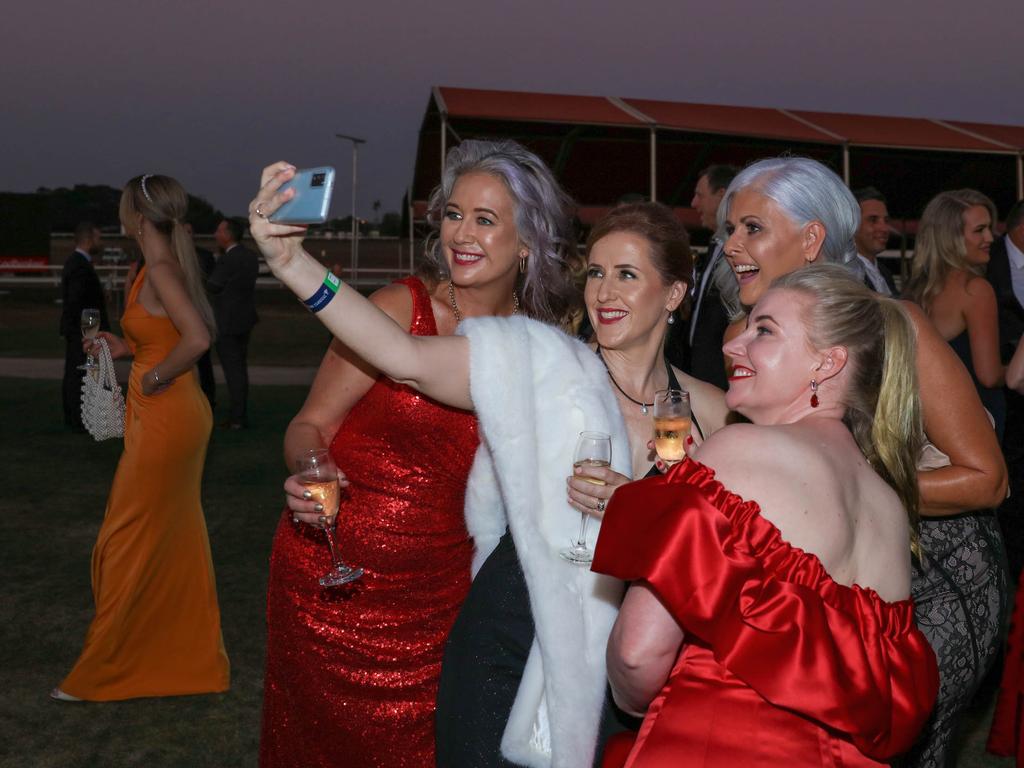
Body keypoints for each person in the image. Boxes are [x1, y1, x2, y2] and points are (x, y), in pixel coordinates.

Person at [257, 140, 583, 768]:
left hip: (444, 597)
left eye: (485, 220)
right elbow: (309, 425)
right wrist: (307, 470)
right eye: (454, 214)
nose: (461, 234)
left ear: (528, 243)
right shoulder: (396, 311)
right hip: (333, 580)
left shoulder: (538, 344)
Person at [715, 158, 1007, 768]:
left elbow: (988, 479)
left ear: (811, 239)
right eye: (729, 229)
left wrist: (852, 489)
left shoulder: (893, 326)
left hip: (935, 580)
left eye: (750, 228)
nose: (731, 246)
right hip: (821, 581)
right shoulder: (746, 337)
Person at [594, 265, 939, 766]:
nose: (733, 346)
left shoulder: (736, 450)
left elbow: (637, 653)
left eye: (765, 331)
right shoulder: (888, 502)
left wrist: (629, 700)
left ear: (827, 362)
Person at [435, 202, 730, 768]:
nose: (604, 292)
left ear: (673, 294)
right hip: (513, 631)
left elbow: (738, 544)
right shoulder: (551, 374)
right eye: (595, 272)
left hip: (628, 648)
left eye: (626, 275)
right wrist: (300, 268)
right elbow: (402, 356)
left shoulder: (709, 413)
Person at [52, 174, 229, 701]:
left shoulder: (163, 268)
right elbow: (164, 334)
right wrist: (123, 346)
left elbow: (198, 339)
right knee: (163, 535)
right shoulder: (153, 269)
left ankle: (104, 671)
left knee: (127, 536)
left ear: (134, 216)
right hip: (163, 414)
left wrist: (153, 377)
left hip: (167, 414)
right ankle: (185, 663)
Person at [904, 189, 1007, 440]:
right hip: (976, 418)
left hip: (926, 421)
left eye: (989, 228)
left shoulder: (914, 291)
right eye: (979, 230)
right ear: (950, 238)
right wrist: (1014, 372)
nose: (989, 237)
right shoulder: (976, 290)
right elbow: (989, 375)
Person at [666, 165, 737, 389]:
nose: (694, 203)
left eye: (699, 195)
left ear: (722, 195)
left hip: (722, 377)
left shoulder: (739, 253)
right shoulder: (713, 247)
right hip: (697, 374)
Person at [209, 217, 258, 429]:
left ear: (228, 235)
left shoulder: (228, 259)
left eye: (219, 231)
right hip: (245, 319)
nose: (216, 235)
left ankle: (237, 418)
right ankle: (240, 413)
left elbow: (213, 285)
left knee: (233, 371)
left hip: (227, 322)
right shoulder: (250, 256)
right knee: (240, 368)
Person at [59, 222, 109, 431]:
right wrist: (89, 333)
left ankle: (76, 417)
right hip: (83, 329)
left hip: (81, 328)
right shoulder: (79, 265)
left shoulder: (77, 262)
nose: (100, 242)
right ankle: (78, 419)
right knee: (79, 373)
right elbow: (79, 302)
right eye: (98, 238)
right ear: (88, 240)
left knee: (78, 372)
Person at [188, 221, 218, 409]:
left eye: (190, 231)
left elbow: (212, 284)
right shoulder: (171, 255)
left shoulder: (204, 256)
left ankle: (209, 398)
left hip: (200, 312)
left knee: (204, 360)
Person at [852, 186, 898, 295]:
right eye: (873, 220)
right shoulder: (846, 276)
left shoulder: (885, 273)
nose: (884, 228)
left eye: (886, 221)